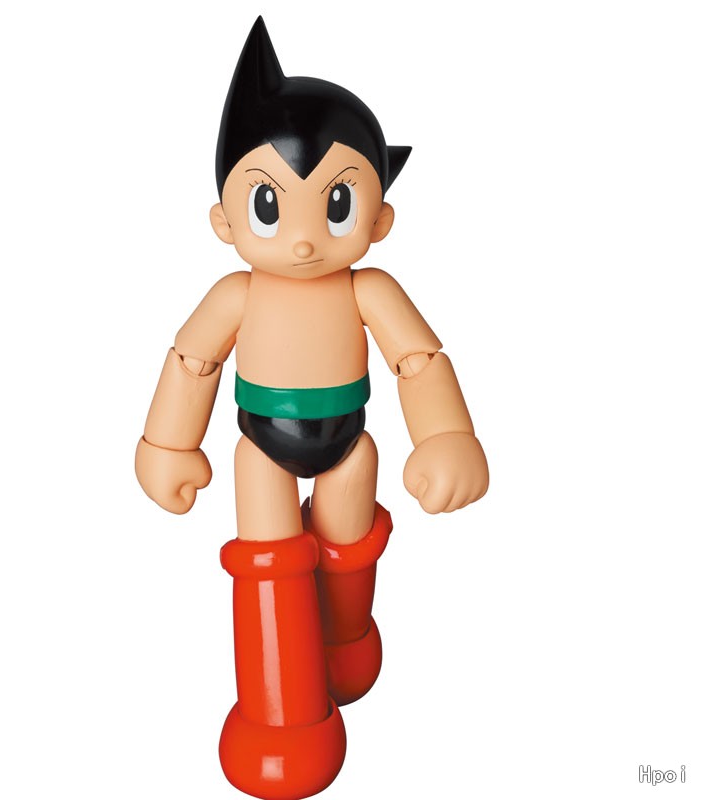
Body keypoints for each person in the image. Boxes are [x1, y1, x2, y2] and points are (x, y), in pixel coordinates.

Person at [135, 16, 489, 799]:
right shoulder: (234, 294)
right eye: (270, 204)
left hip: (348, 443)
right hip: (259, 447)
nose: (301, 241)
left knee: (345, 547)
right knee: (268, 563)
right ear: (225, 220)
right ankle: (282, 713)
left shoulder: (371, 288)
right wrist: (167, 444)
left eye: (335, 206)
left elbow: (419, 362)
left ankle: (343, 643)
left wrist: (445, 435)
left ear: (379, 220)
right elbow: (191, 364)